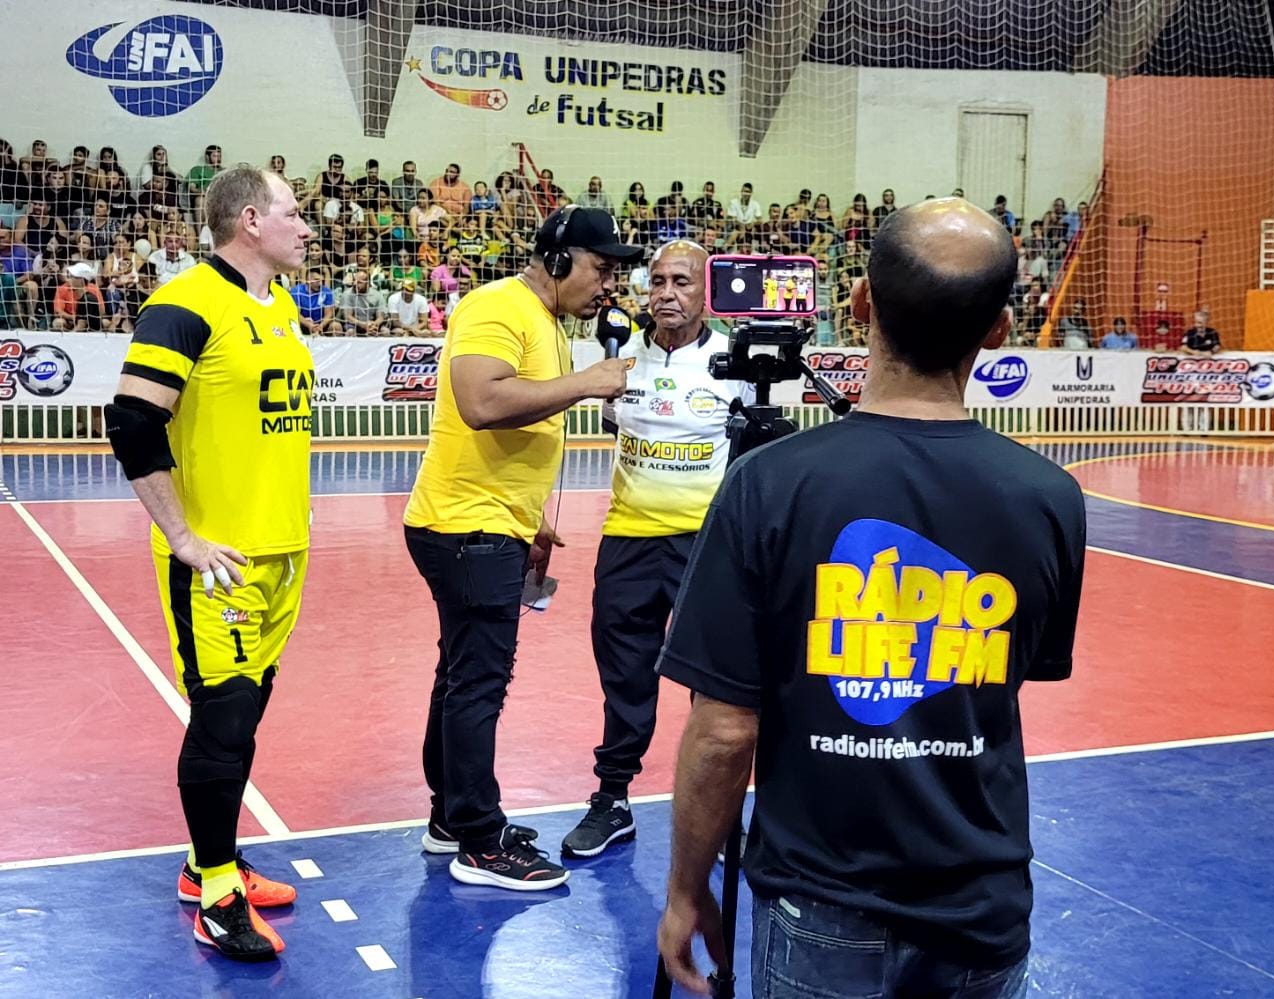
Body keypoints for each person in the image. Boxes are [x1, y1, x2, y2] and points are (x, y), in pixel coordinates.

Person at [654, 198, 1086, 998]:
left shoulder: (768, 484)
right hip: (983, 906)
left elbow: (724, 730)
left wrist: (686, 887)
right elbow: (996, 681)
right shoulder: (1050, 497)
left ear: (860, 302)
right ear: (1000, 329)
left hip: (824, 900)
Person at [104, 166, 315, 962]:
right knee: (222, 718)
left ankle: (207, 862)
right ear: (250, 220)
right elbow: (132, 421)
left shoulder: (280, 304)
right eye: (293, 212)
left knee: (246, 712)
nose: (306, 226)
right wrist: (184, 538)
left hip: (281, 554)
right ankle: (219, 893)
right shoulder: (185, 303)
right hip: (216, 564)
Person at [402, 205, 640, 891]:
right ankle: (480, 841)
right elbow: (480, 402)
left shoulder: (544, 322)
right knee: (479, 683)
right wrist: (590, 381)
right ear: (559, 260)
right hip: (467, 527)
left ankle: (451, 817)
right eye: (600, 269)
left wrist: (530, 521)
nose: (607, 286)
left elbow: (520, 426)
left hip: (486, 524)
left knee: (459, 675)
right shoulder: (497, 306)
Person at [560, 240, 752, 859]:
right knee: (625, 677)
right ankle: (612, 800)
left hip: (708, 548)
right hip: (629, 541)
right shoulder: (620, 359)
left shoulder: (737, 363)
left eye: (682, 282)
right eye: (658, 281)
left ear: (707, 292)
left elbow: (755, 462)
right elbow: (614, 430)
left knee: (713, 686)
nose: (667, 293)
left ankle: (720, 815)